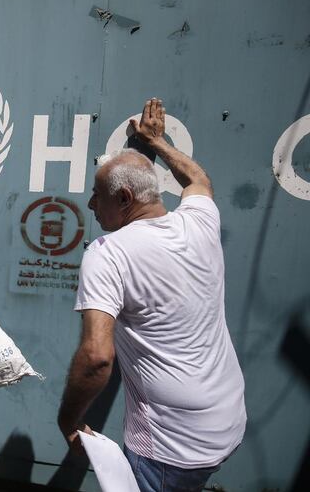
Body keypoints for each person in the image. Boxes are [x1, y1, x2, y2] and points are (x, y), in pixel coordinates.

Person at [57, 99, 246, 492]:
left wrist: (69, 421)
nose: (91, 204)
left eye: (97, 195)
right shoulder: (198, 221)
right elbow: (198, 181)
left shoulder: (108, 253)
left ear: (124, 199)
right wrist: (156, 143)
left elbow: (96, 358)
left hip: (170, 446)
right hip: (226, 422)